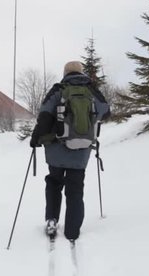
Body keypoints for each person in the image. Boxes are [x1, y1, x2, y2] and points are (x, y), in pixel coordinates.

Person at [29, 61, 110, 241]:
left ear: (65, 73)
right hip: (81, 151)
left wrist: (35, 138)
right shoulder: (92, 91)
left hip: (56, 150)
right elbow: (106, 112)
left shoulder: (58, 89)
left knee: (54, 184)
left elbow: (44, 115)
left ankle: (51, 220)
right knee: (75, 189)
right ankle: (72, 231)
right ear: (81, 72)